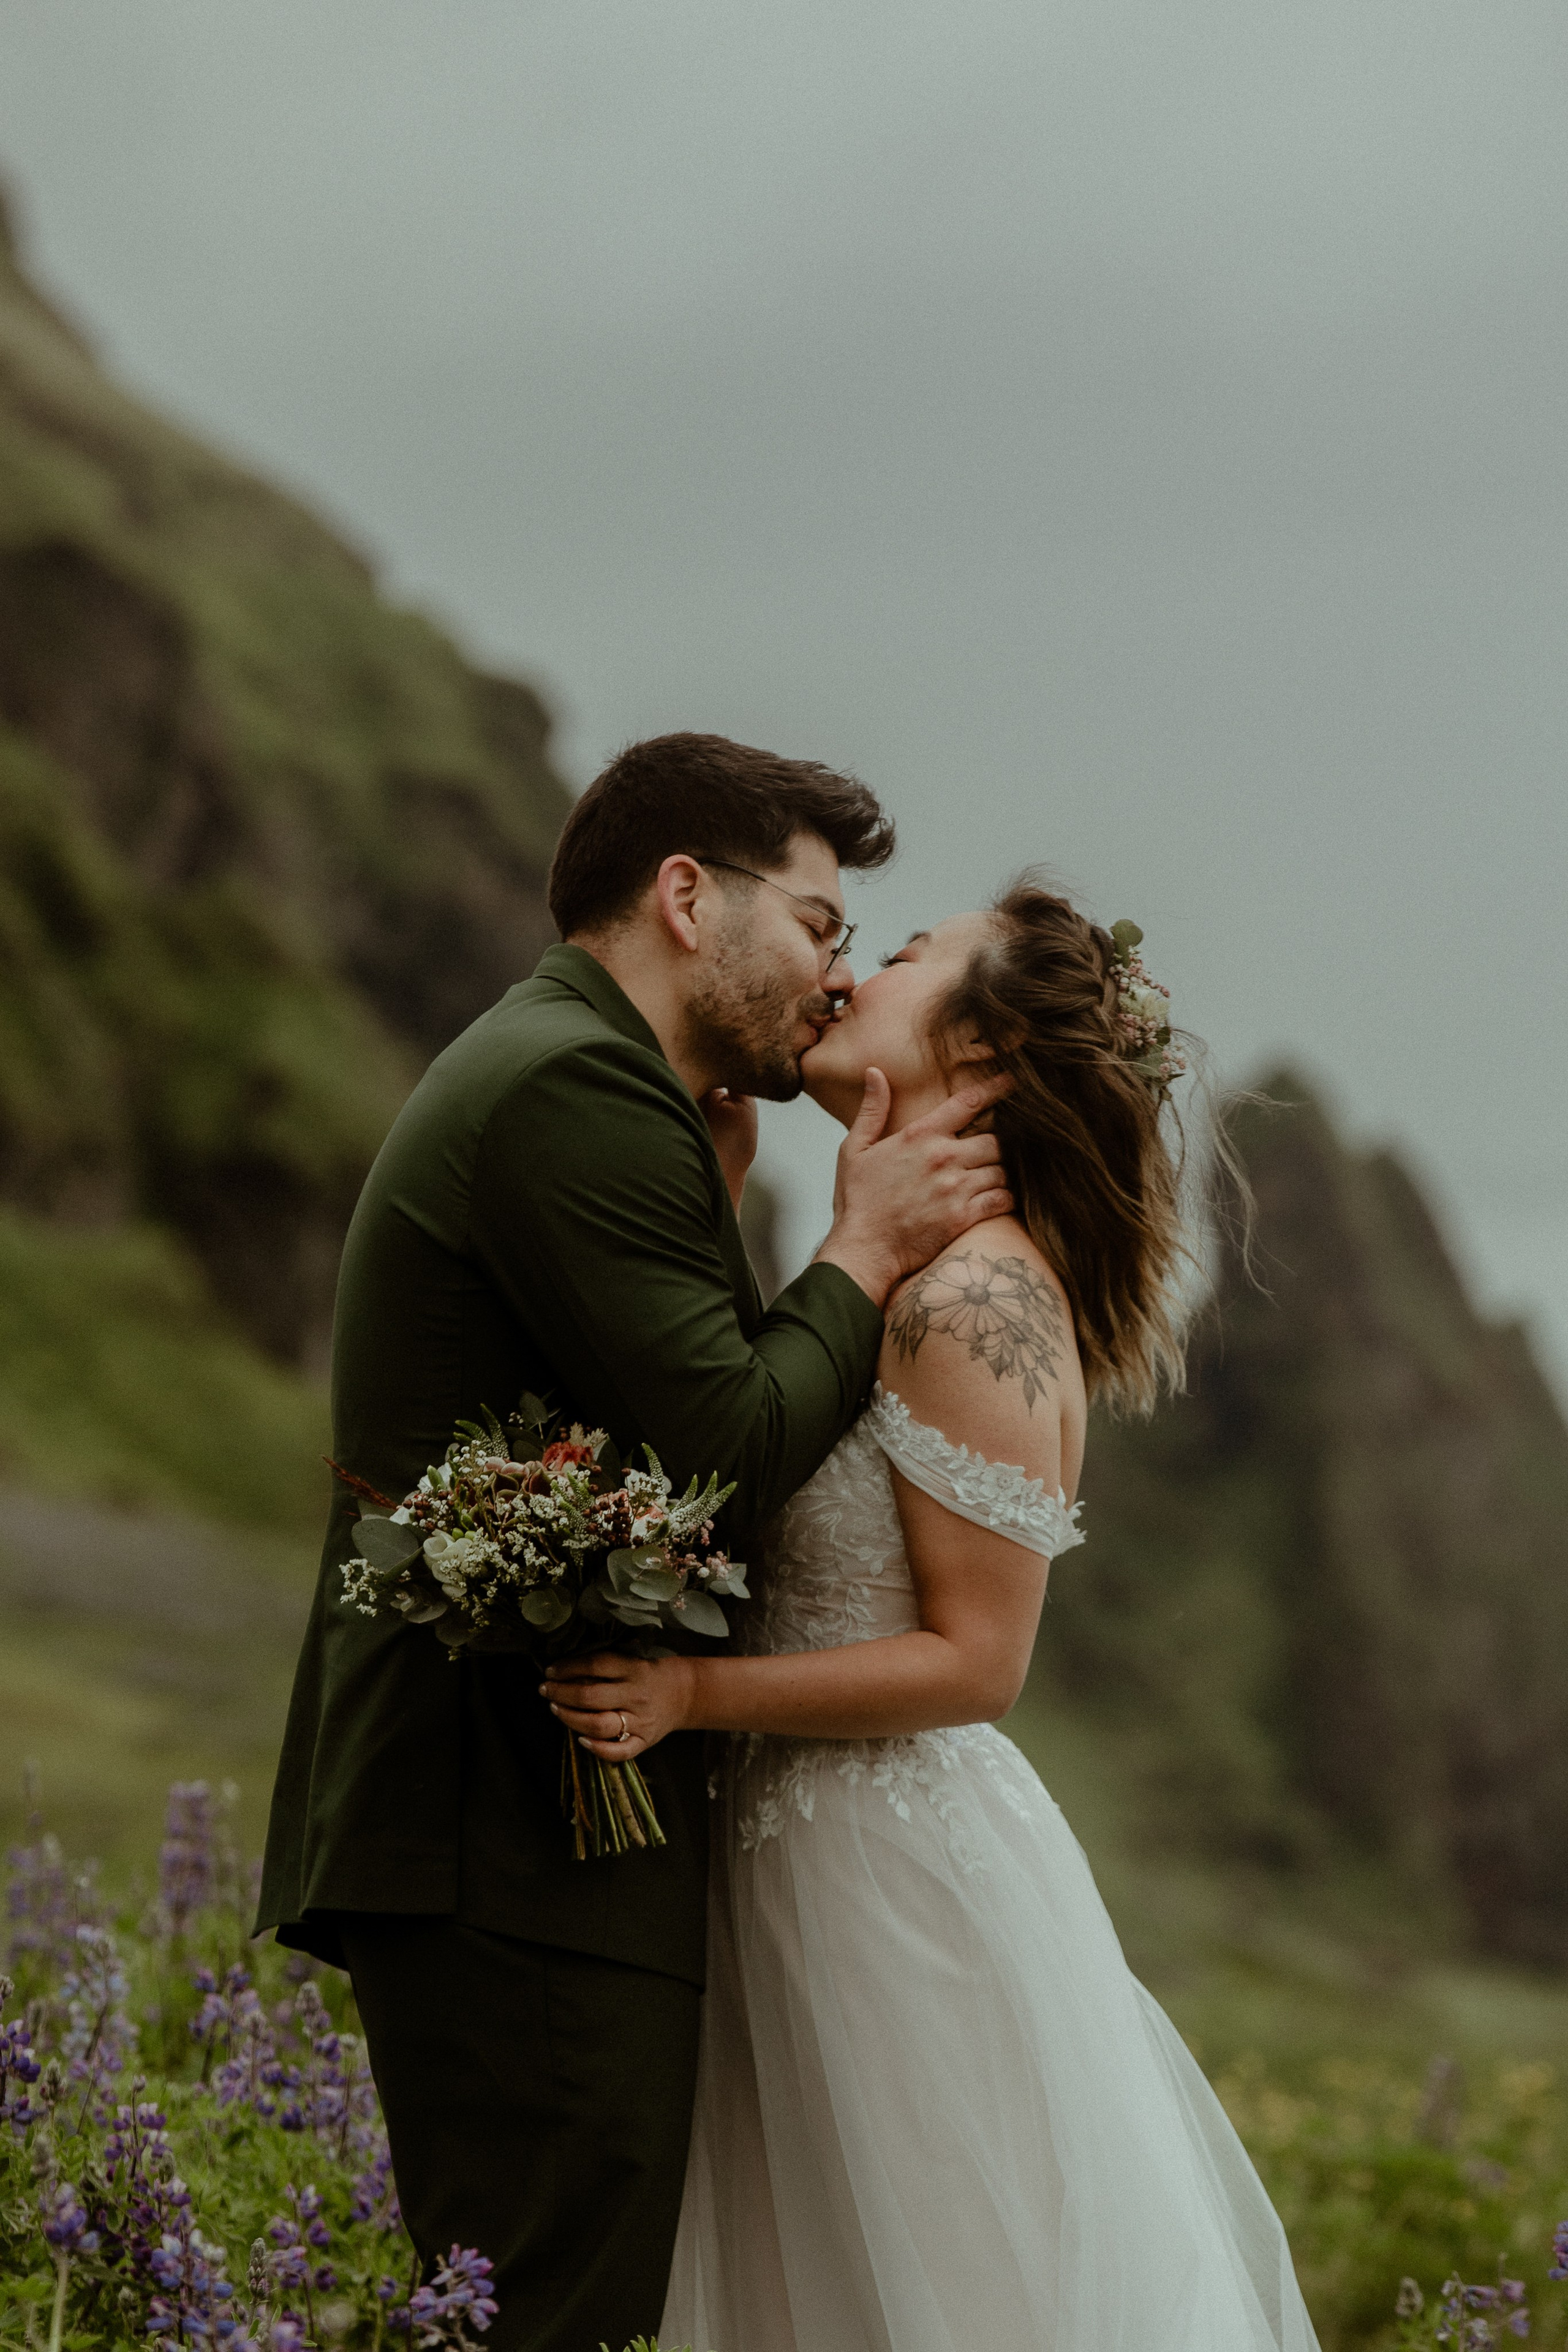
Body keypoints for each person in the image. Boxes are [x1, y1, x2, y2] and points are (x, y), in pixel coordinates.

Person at [255, 734, 1013, 2352]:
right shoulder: (574, 1088)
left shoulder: (598, 1084)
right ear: (686, 897)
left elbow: (648, 1410)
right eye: (816, 924)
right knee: (553, 2321)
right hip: (515, 1828)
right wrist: (862, 1248)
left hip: (519, 1829)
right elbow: (725, 1460)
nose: (834, 975)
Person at [546, 883, 1324, 2351]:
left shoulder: (974, 1302)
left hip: (892, 1888)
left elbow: (978, 1663)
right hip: (792, 1862)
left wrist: (690, 1698)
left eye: (904, 955)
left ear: (982, 1052)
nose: (854, 973)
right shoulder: (894, 1265)